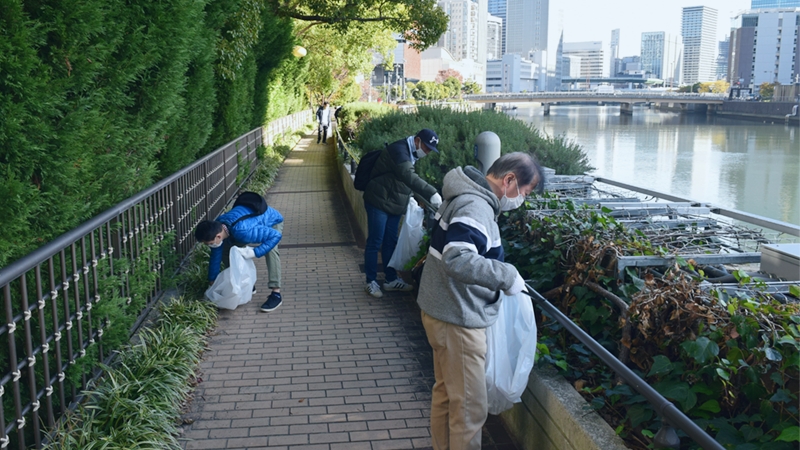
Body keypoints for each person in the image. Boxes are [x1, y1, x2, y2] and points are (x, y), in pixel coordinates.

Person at [416, 152, 543, 450]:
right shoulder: (476, 206)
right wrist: (506, 275)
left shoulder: (465, 195)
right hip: (458, 319)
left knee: (447, 396)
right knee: (470, 409)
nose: (520, 199)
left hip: (441, 311)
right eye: (523, 192)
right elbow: (457, 259)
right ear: (509, 179)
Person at [362, 128, 443, 299]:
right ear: (417, 140)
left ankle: (390, 279)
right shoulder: (399, 150)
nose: (427, 153)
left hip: (394, 203)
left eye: (430, 150)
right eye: (426, 148)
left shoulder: (410, 152)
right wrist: (432, 193)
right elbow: (408, 176)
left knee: (391, 241)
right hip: (378, 200)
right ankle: (370, 281)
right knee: (375, 241)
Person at [194, 202, 284, 312]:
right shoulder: (218, 228)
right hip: (248, 224)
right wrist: (212, 281)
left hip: (271, 221)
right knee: (226, 251)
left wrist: (255, 252)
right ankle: (246, 284)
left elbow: (276, 235)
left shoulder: (242, 231)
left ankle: (276, 293)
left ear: (218, 236)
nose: (209, 246)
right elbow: (215, 256)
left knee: (271, 250)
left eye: (209, 243)